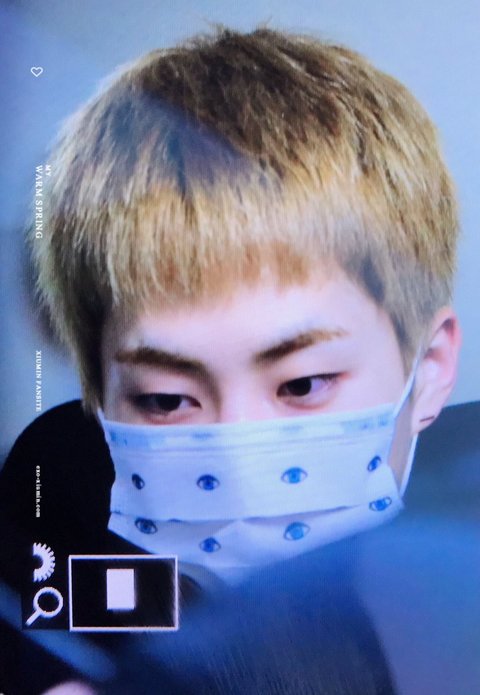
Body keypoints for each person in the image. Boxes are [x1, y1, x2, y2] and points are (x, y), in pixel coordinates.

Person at [0, 26, 464, 694]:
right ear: (99, 394)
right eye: (165, 399)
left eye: (303, 384)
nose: (237, 463)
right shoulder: (51, 523)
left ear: (431, 368)